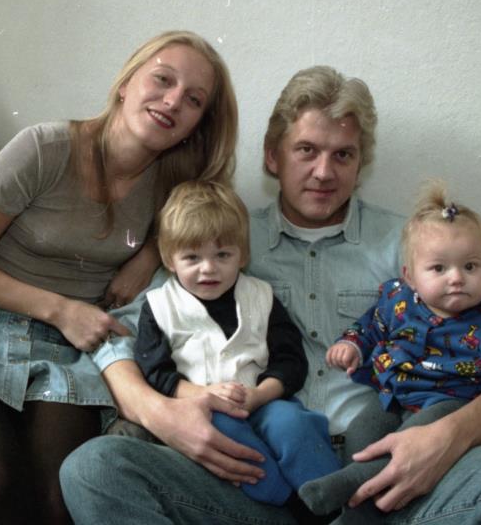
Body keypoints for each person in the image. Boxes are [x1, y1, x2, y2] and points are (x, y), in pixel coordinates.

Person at [60, 66, 481, 524]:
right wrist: (160, 411)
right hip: (257, 477)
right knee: (94, 469)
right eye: (306, 150)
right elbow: (118, 337)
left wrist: (448, 437)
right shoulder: (221, 240)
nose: (324, 172)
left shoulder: (415, 246)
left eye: (343, 155)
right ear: (273, 156)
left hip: (392, 478)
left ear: (360, 165)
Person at [0, 30, 239, 525]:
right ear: (126, 83)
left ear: (196, 125)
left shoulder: (176, 186)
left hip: (67, 348)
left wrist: (146, 256)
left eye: (194, 100)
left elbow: (199, 239)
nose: (172, 101)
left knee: (63, 497)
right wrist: (61, 309)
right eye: (163, 80)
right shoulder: (45, 148)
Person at [298, 178, 481, 517]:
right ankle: (358, 510)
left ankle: (348, 485)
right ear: (410, 276)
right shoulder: (397, 299)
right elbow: (370, 325)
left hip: (450, 403)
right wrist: (351, 344)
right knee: (363, 430)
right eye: (439, 268)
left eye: (470, 266)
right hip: (394, 396)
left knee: (415, 438)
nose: (456, 278)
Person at [135, 180, 341, 507]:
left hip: (264, 401)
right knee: (224, 432)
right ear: (169, 259)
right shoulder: (159, 306)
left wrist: (259, 395)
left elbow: (290, 361)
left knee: (293, 424)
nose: (208, 268)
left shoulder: (261, 295)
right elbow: (155, 372)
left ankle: (334, 499)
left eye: (222, 255)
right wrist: (203, 394)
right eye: (192, 257)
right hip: (202, 409)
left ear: (242, 254)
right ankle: (285, 504)